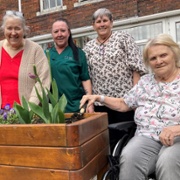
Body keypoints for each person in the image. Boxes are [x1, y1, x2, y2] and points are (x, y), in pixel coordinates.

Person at [80, 33, 180, 180]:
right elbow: (124, 103)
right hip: (146, 137)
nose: (158, 61)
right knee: (129, 156)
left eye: (163, 55)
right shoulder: (145, 81)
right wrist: (98, 97)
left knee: (168, 161)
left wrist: (176, 129)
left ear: (174, 54)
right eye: (153, 58)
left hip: (177, 139)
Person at [83, 8, 147, 151]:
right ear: (93, 25)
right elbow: (88, 76)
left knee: (125, 139)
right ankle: (110, 170)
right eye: (98, 22)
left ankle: (125, 169)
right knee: (105, 140)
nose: (102, 24)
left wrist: (135, 96)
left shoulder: (124, 38)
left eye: (105, 20)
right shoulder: (88, 47)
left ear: (112, 22)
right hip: (101, 104)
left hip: (124, 101)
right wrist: (90, 101)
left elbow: (136, 67)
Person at [0, 10, 51, 109]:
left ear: (24, 30)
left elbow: (43, 81)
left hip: (28, 115)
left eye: (17, 28)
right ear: (4, 30)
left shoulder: (35, 50)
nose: (13, 33)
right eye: (9, 28)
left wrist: (29, 109)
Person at [48, 18, 93, 113]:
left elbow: (85, 79)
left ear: (68, 33)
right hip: (54, 110)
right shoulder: (46, 54)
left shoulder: (78, 53)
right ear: (52, 34)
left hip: (76, 107)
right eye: (56, 31)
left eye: (63, 31)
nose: (59, 34)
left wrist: (90, 103)